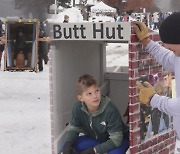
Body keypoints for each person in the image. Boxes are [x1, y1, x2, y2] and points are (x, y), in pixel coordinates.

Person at [133, 12, 180, 144]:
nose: (165, 46)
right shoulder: (178, 56)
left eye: (168, 42)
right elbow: (167, 59)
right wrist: (146, 41)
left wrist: (152, 98)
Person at [62, 74, 129, 154]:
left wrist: (94, 150)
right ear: (81, 98)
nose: (95, 96)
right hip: (96, 139)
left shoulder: (110, 110)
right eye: (89, 94)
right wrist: (68, 143)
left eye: (97, 91)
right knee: (66, 147)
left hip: (118, 141)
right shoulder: (78, 108)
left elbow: (116, 140)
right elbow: (74, 128)